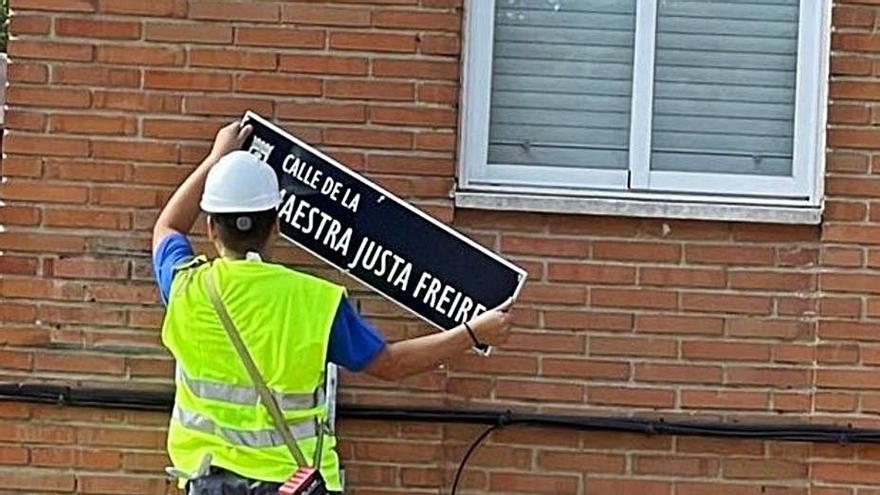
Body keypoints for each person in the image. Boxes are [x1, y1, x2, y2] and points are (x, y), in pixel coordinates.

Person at [152, 121, 515, 494]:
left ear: (211, 227)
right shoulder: (316, 301)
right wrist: (472, 333)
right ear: (276, 225)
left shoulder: (184, 288)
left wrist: (216, 158)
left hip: (208, 483)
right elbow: (391, 364)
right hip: (293, 482)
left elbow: (167, 228)